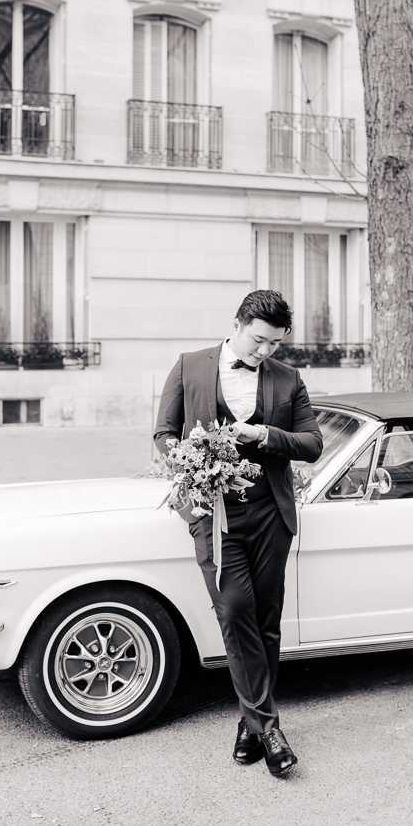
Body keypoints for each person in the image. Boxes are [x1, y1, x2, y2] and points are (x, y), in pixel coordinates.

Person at [154, 289, 323, 779]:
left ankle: (249, 725)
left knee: (266, 620)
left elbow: (312, 444)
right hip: (215, 515)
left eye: (274, 345)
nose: (264, 352)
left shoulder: (288, 380)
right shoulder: (189, 366)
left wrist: (264, 435)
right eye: (258, 341)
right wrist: (189, 468)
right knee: (234, 610)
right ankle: (269, 729)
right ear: (237, 324)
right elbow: (164, 434)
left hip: (270, 513)